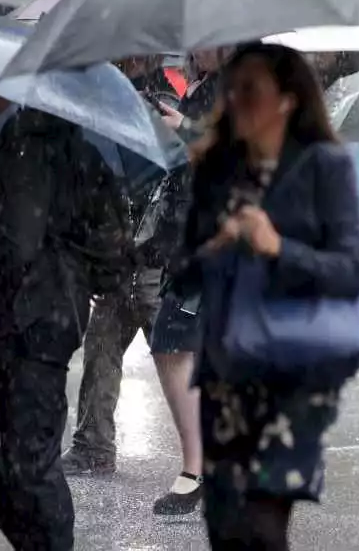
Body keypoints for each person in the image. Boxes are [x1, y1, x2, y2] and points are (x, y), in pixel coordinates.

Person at [171, 43, 359, 549]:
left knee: (261, 529)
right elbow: (182, 278)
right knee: (225, 529)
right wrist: (216, 247)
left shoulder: (325, 166)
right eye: (232, 89)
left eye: (250, 90)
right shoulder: (218, 168)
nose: (236, 100)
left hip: (291, 375)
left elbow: (348, 272)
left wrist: (277, 247)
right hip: (225, 377)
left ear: (288, 100)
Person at [0, 80, 129, 550]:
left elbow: (20, 246)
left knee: (32, 464)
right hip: (7, 323)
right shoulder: (19, 140)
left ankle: (44, 542)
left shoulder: (32, 146)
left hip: (35, 326)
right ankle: (32, 539)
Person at [61, 49, 223, 517]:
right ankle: (94, 445)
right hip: (127, 251)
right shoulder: (118, 96)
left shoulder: (175, 100)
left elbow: (179, 169)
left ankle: (205, 457)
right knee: (105, 346)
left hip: (159, 251)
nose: (126, 58)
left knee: (175, 349)